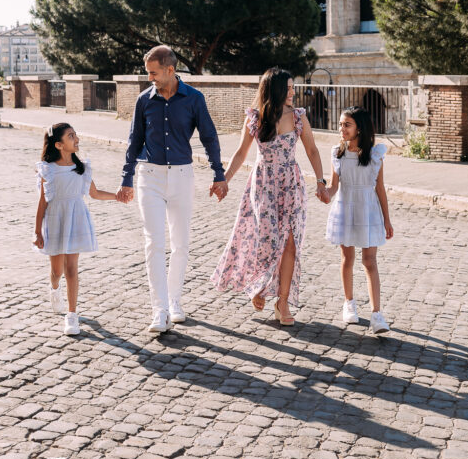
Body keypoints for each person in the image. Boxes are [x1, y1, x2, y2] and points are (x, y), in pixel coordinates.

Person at [116, 46, 228, 334]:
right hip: (149, 176)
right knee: (154, 242)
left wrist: (219, 174)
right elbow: (133, 141)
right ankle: (159, 309)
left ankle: (175, 301)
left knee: (180, 242)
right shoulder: (144, 101)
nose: (150, 77)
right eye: (147, 73)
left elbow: (209, 137)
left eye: (153, 72)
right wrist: (126, 179)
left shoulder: (194, 99)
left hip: (181, 176)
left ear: (170, 70)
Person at [211, 67, 329, 325]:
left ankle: (283, 301)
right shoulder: (254, 117)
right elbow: (241, 154)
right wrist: (224, 181)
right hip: (263, 184)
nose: (292, 92)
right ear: (273, 90)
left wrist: (321, 182)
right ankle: (259, 285)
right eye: (287, 88)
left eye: (292, 87)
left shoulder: (298, 117)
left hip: (291, 184)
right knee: (264, 239)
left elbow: (312, 150)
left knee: (290, 242)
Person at [33, 122, 125, 336]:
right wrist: (37, 232)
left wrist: (117, 196)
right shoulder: (48, 169)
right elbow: (42, 202)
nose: (77, 139)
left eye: (75, 135)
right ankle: (55, 289)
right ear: (58, 145)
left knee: (72, 269)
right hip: (55, 220)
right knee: (57, 271)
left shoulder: (81, 167)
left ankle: (72, 315)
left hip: (76, 219)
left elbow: (94, 193)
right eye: (71, 136)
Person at [324, 106, 394, 334]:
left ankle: (377, 314)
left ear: (359, 128)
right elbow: (334, 186)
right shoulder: (338, 153)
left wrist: (387, 220)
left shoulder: (375, 155)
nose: (341, 128)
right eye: (341, 124)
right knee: (347, 258)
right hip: (345, 208)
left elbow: (380, 189)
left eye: (347, 124)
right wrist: (325, 193)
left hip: (368, 211)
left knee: (370, 261)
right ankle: (349, 303)